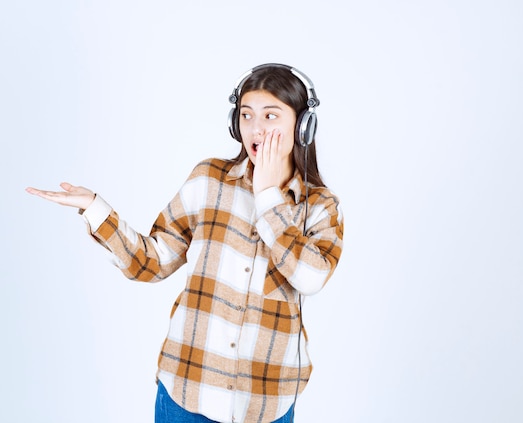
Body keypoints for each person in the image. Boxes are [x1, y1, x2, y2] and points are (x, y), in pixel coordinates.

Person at [26, 63, 344, 423]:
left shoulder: (320, 207)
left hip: (265, 404)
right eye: (246, 115)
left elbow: (310, 277)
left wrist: (268, 197)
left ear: (302, 126)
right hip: (186, 393)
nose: (256, 129)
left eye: (271, 116)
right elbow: (153, 261)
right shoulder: (208, 180)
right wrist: (96, 209)